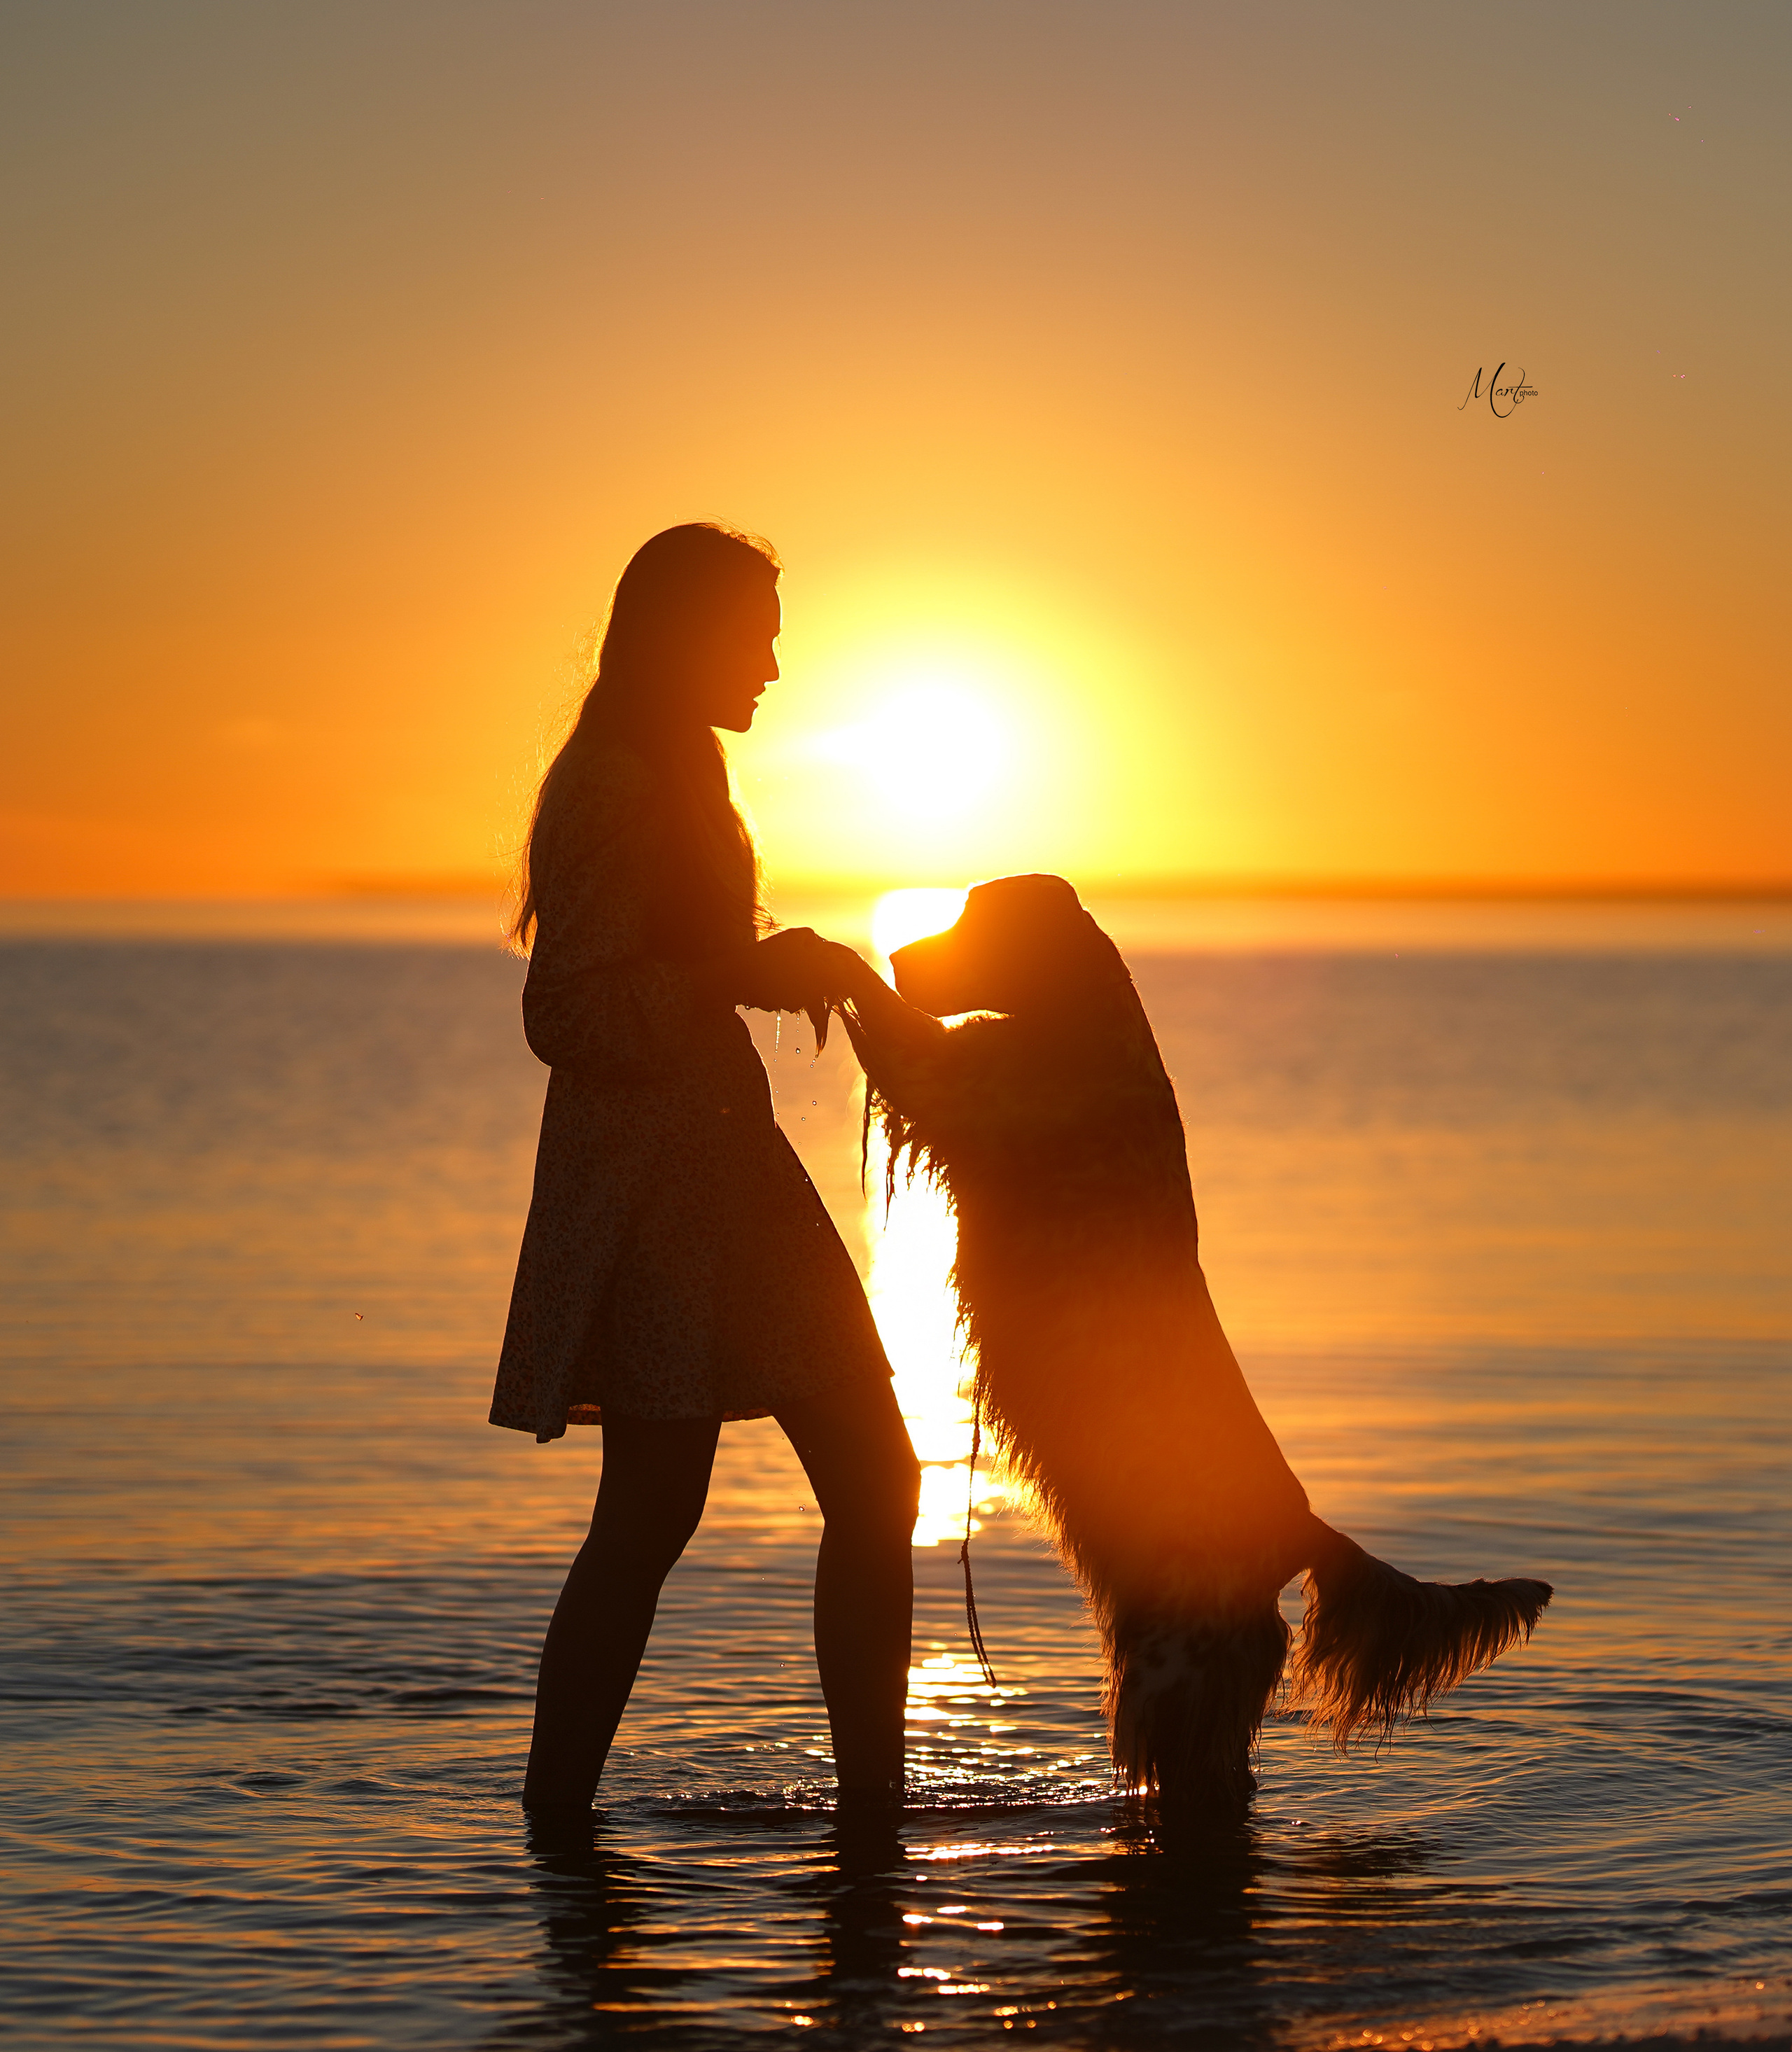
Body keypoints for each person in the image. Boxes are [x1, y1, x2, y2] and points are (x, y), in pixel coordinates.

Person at [493, 522, 920, 1814]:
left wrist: (777, 974)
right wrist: (752, 970)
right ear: (687, 635)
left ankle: (861, 1815)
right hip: (659, 1185)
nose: (777, 669)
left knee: (849, 1480)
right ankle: (566, 1816)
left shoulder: (673, 770)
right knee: (669, 1507)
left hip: (721, 1165)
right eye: (759, 636)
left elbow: (674, 971)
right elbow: (565, 1011)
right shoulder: (615, 780)